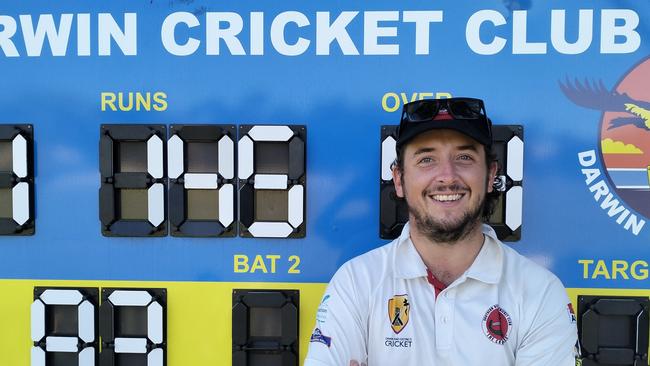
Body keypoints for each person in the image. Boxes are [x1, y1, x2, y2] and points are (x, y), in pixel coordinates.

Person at [304, 98, 578, 365]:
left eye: (464, 157)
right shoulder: (356, 282)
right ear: (399, 179)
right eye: (426, 160)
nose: (447, 176)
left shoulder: (541, 292)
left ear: (491, 175)